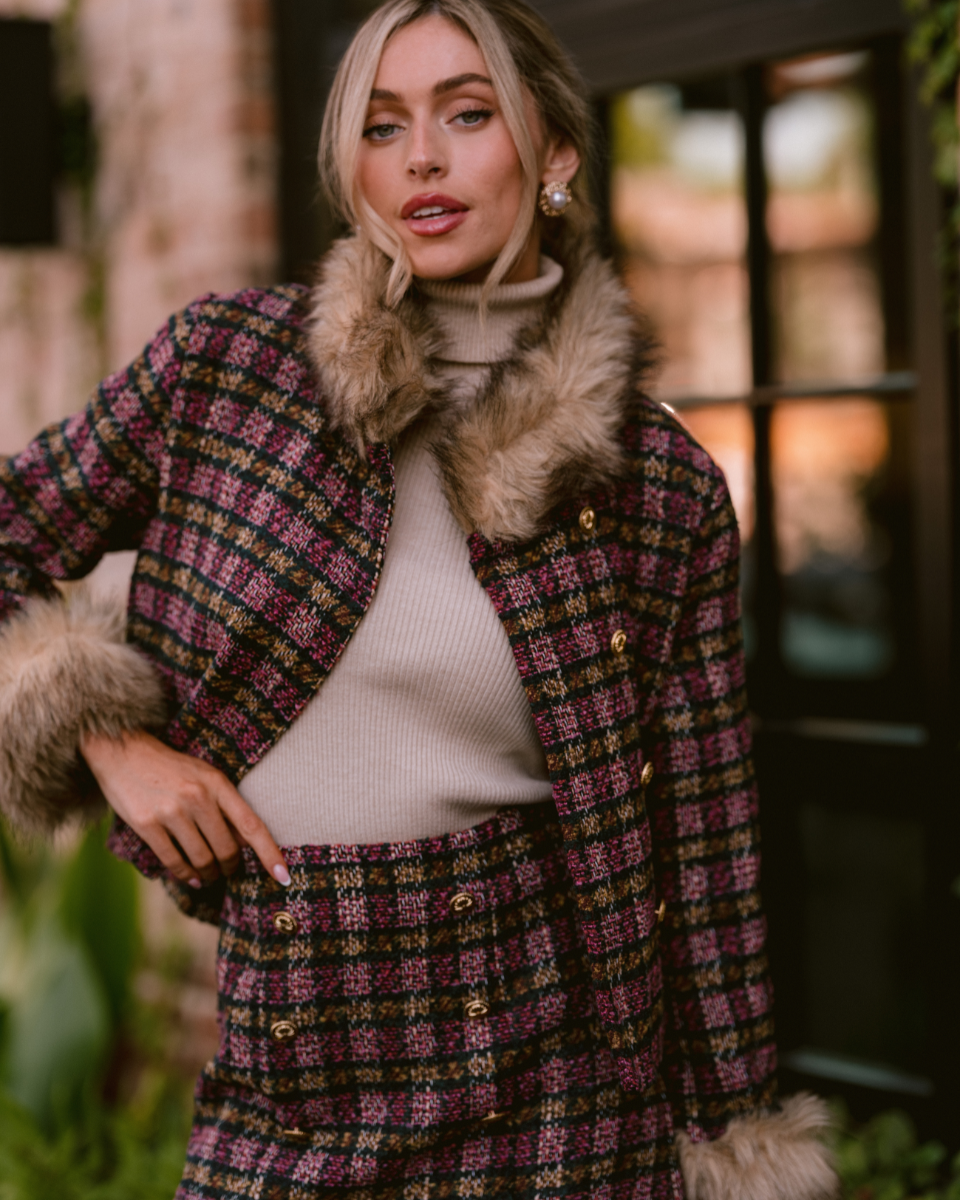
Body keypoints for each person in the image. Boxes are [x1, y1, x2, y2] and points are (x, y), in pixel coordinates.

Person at [0, 1, 837, 1196]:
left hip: (556, 1079)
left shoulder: (656, 485)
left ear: (553, 153)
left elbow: (702, 847)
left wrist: (731, 1142)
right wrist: (103, 735)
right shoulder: (227, 373)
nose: (422, 160)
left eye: (466, 112)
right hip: (289, 1052)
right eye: (383, 126)